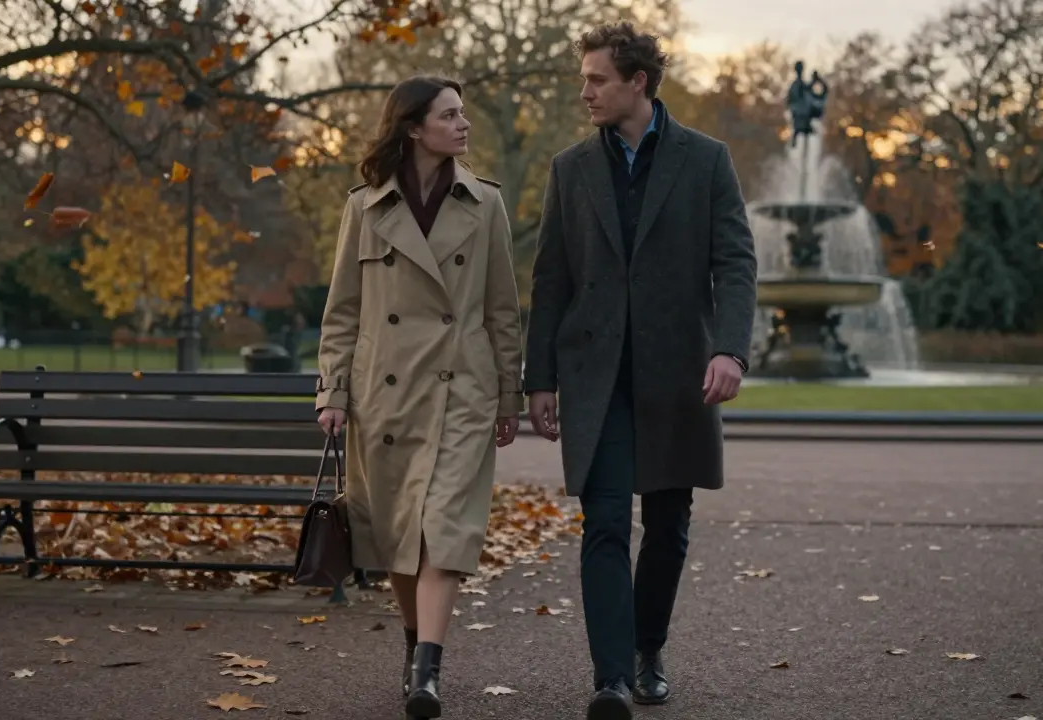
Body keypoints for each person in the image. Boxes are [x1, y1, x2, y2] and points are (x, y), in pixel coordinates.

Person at [523, 22, 758, 720]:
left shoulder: (706, 159)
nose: (586, 91)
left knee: (668, 525)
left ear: (638, 83)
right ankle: (611, 679)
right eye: (585, 78)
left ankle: (648, 649)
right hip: (596, 375)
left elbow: (736, 262)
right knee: (602, 523)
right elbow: (550, 279)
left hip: (678, 371)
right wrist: (540, 379)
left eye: (597, 79)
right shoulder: (570, 169)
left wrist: (730, 349)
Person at [313, 75, 525, 720]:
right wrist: (334, 392)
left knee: (443, 532)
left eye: (463, 114)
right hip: (386, 396)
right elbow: (342, 313)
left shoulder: (485, 203)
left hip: (462, 388)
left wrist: (509, 394)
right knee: (400, 535)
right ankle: (413, 647)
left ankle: (427, 672)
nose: (464, 126)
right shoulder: (364, 207)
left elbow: (502, 309)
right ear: (413, 127)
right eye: (450, 115)